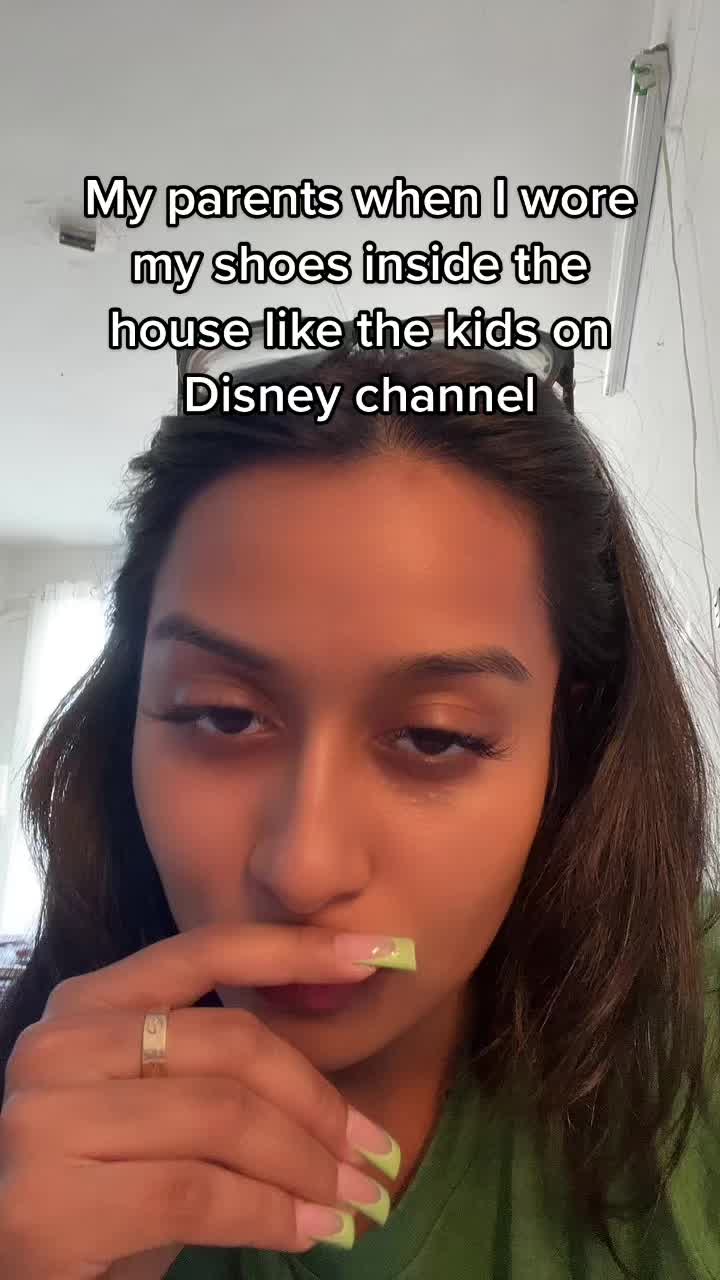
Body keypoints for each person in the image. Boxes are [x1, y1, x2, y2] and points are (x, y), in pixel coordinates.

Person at [0, 345, 718, 1280]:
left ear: (566, 733)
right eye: (223, 716)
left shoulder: (696, 1016)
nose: (303, 869)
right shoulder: (26, 1137)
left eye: (434, 736)